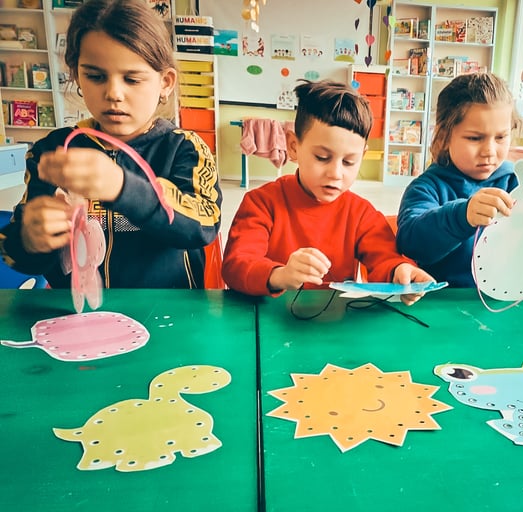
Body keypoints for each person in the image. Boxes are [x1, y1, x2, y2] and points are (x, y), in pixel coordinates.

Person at [0, 0, 221, 289]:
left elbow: (203, 226)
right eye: (96, 76)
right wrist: (31, 239)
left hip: (168, 308)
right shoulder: (54, 151)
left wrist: (124, 188)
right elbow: (15, 254)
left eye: (132, 79)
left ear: (165, 83)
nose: (114, 93)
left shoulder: (185, 148)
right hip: (78, 310)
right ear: (76, 75)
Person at [222, 79, 433, 305]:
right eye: (322, 157)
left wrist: (401, 271)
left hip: (335, 320)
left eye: (349, 162)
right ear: (293, 146)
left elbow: (385, 258)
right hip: (267, 319)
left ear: (362, 156)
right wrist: (280, 275)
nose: (335, 173)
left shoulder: (361, 213)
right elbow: (236, 264)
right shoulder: (261, 202)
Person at [396, 72, 523, 288]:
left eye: (501, 137)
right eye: (475, 138)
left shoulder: (520, 184)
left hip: (517, 300)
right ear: (444, 136)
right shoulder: (426, 188)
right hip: (450, 302)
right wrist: (462, 216)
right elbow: (411, 242)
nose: (489, 151)